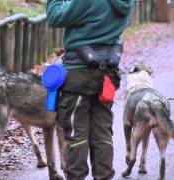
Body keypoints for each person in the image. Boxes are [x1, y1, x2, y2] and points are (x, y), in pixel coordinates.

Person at [46, 0, 133, 179]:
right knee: (102, 132)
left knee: (75, 134)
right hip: (107, 74)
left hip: (79, 74)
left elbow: (55, 16)